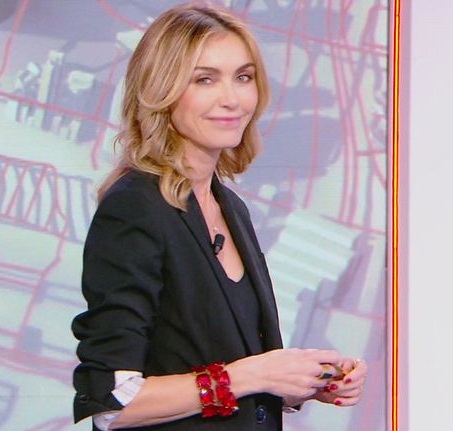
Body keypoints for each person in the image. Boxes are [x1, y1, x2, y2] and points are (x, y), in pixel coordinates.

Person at [71, 3, 368, 430]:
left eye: (243, 77)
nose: (232, 99)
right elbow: (114, 403)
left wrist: (300, 380)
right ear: (161, 89)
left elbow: (220, 373)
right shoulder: (134, 207)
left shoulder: (230, 207)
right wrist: (256, 374)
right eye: (205, 79)